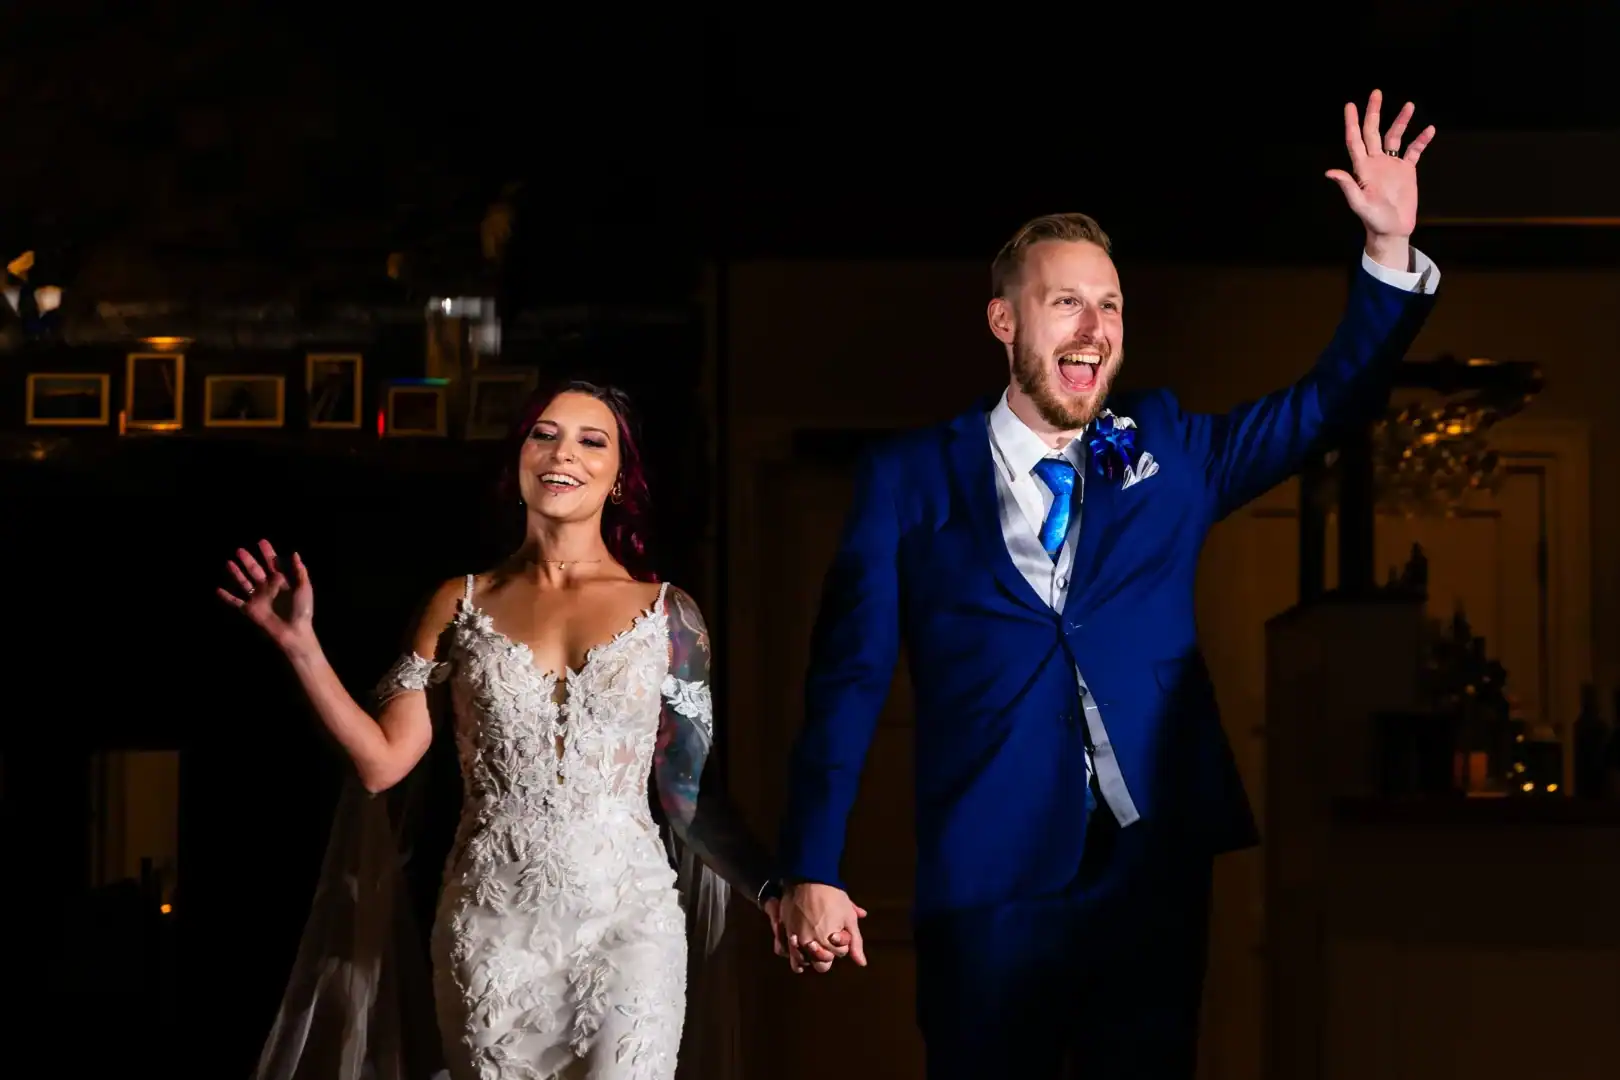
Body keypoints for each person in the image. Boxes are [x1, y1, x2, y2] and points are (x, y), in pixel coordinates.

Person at [771, 90, 1442, 1077]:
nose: (1096, 327)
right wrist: (812, 865)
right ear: (1004, 320)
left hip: (1150, 872)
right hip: (987, 878)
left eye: (1112, 304)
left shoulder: (1166, 444)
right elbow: (848, 681)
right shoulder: (907, 479)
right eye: (1067, 303)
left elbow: (1326, 406)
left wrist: (1387, 248)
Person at [221, 378, 782, 1080]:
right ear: (519, 459)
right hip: (492, 926)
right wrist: (302, 646)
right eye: (544, 434)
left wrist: (777, 890)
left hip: (629, 925)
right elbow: (382, 763)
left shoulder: (669, 614)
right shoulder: (458, 603)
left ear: (619, 477)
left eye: (591, 440)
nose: (563, 453)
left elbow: (688, 794)